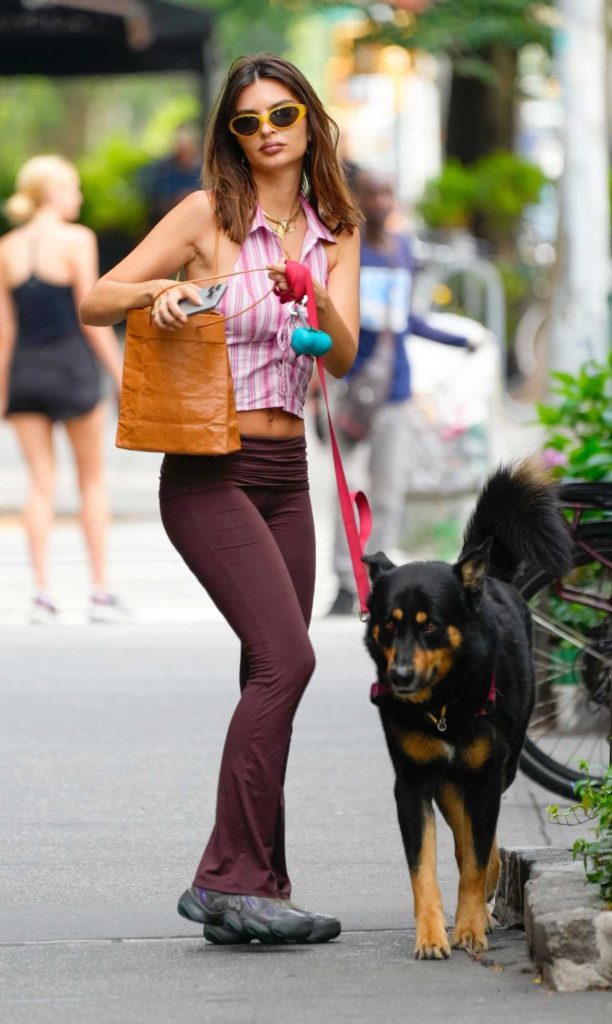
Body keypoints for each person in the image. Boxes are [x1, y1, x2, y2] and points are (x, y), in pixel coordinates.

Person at [81, 54, 361, 944]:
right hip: (210, 471)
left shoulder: (335, 227)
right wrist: (163, 293)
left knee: (266, 672)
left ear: (309, 120)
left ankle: (255, 885)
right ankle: (229, 880)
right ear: (229, 136)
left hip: (289, 478)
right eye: (247, 121)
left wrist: (311, 289)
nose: (268, 131)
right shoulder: (210, 214)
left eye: (282, 114)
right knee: (290, 662)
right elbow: (98, 296)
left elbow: (343, 355)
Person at [326, 169, 477, 617]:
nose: (380, 200)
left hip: (395, 389)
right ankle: (343, 581)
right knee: (347, 491)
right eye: (372, 192)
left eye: (387, 191)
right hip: (350, 386)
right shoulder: (343, 249)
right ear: (356, 198)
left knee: (388, 492)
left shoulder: (403, 250)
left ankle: (378, 580)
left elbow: (408, 319)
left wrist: (459, 340)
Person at [0, 155, 125, 623]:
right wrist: (119, 373)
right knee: (91, 481)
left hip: (25, 376)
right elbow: (90, 317)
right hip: (72, 371)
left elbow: (4, 331)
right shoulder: (77, 240)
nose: (79, 196)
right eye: (73, 188)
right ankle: (98, 591)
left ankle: (42, 593)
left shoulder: (6, 247)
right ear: (53, 193)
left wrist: (1, 390)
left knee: (39, 484)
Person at [140, 121, 203, 228]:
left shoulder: (206, 169)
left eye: (187, 144)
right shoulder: (162, 171)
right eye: (179, 143)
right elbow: (154, 206)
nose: (183, 149)